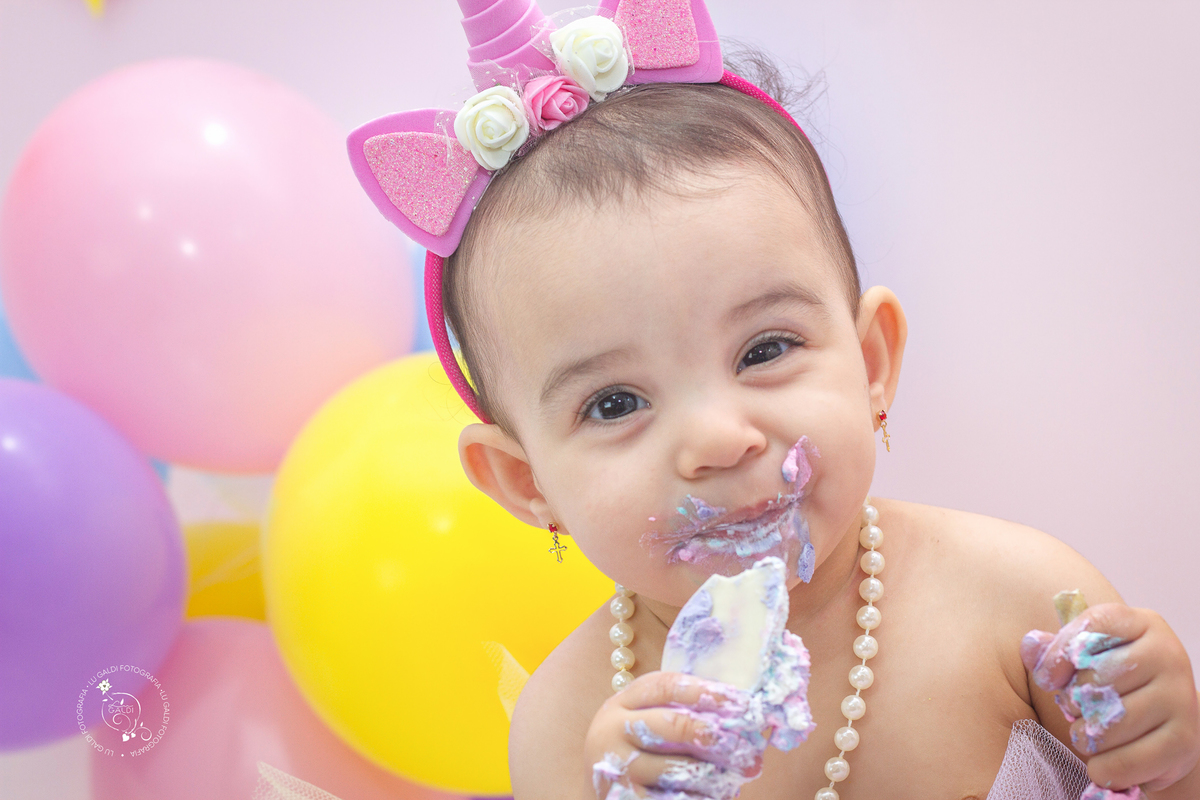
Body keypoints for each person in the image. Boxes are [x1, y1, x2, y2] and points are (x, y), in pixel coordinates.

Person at [346, 1, 1200, 797]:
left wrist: (1169, 755)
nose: (718, 437)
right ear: (525, 482)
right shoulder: (570, 733)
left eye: (764, 349)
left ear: (870, 363)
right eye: (613, 404)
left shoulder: (1015, 600)